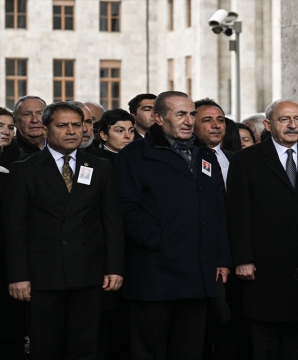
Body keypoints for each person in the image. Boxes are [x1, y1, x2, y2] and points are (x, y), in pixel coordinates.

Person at [3, 101, 125, 359]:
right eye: (62, 125)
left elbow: (112, 221)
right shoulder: (25, 169)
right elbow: (15, 228)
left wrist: (114, 266)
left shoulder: (100, 167)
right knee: (46, 348)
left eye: (77, 125)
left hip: (89, 274)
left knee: (85, 347)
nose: (71, 130)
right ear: (46, 130)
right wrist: (17, 276)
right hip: (42, 277)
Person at [114, 91, 231, 359]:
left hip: (198, 272)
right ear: (158, 117)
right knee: (150, 350)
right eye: (181, 114)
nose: (189, 120)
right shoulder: (134, 155)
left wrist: (221, 258)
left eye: (191, 114)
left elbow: (217, 212)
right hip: (155, 272)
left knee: (189, 349)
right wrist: (161, 240)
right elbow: (126, 209)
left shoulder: (205, 155)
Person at [226, 99, 298, 360]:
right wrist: (243, 259)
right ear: (268, 124)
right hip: (264, 267)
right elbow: (237, 213)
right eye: (284, 119)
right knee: (264, 340)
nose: (292, 125)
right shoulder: (246, 159)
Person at [0, 107, 27, 359]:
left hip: (8, 261)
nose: (6, 131)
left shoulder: (19, 162)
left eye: (10, 127)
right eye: (0, 126)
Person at [192, 98, 231, 186]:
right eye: (207, 120)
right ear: (192, 124)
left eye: (220, 120)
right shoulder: (187, 159)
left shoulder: (235, 159)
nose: (216, 125)